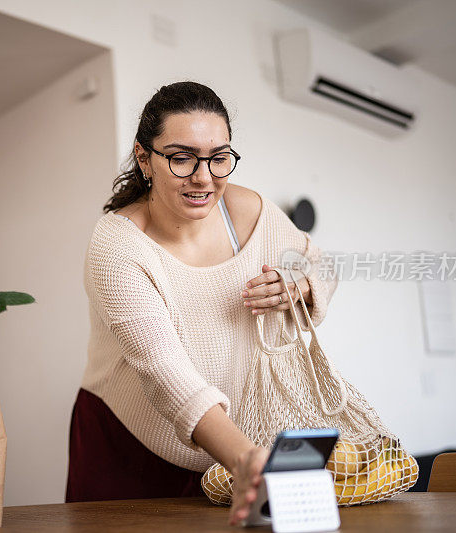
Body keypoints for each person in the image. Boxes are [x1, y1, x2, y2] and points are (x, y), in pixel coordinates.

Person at [65, 81, 338, 526]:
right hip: (130, 441)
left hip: (227, 450)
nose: (204, 177)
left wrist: (300, 285)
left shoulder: (248, 212)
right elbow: (165, 375)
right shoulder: (117, 245)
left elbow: (323, 265)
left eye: (218, 157)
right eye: (181, 157)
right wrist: (248, 458)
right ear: (143, 159)